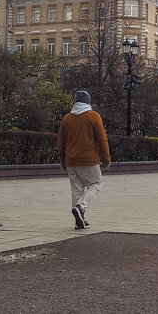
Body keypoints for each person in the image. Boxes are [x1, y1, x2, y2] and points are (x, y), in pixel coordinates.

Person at [57, 89, 110, 230]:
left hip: (71, 161)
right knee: (96, 184)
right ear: (88, 102)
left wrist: (63, 160)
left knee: (76, 191)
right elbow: (102, 139)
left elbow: (61, 143)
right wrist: (106, 158)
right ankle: (81, 208)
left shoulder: (66, 118)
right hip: (88, 160)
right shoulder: (93, 116)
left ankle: (79, 221)